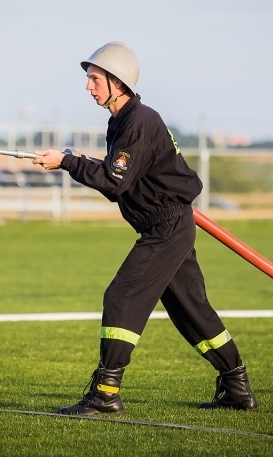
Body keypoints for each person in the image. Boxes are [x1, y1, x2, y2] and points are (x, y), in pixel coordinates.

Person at [33, 41, 258, 416]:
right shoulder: (121, 121)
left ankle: (105, 393)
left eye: (94, 79)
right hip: (168, 225)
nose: (88, 87)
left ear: (117, 82)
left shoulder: (137, 121)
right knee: (192, 311)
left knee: (121, 297)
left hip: (166, 227)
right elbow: (120, 182)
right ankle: (236, 386)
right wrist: (73, 162)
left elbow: (114, 182)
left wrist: (68, 162)